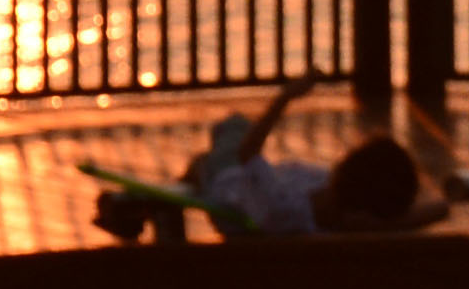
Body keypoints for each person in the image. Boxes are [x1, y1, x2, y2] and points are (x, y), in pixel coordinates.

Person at [184, 76, 437, 237]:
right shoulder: (341, 214)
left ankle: (198, 167)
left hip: (225, 180)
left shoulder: (286, 208)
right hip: (252, 179)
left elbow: (247, 153)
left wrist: (286, 97)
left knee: (234, 124)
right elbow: (439, 208)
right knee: (236, 135)